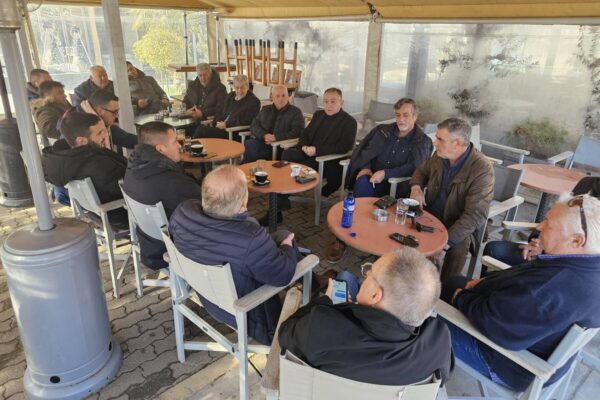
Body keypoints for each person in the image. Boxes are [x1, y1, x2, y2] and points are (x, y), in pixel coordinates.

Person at [443, 194, 600, 393]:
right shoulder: (584, 264)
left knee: (421, 315)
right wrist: (485, 282)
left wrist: (460, 298)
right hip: (527, 336)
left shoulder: (549, 289)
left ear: (576, 240)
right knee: (452, 283)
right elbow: (524, 281)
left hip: (508, 363)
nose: (539, 227)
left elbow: (495, 325)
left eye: (548, 224)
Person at [279, 247, 452, 385]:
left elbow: (286, 332)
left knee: (345, 278)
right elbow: (444, 375)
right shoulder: (438, 343)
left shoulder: (321, 326)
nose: (366, 274)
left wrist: (324, 303)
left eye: (370, 272)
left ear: (375, 295)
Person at [169, 165, 297, 345]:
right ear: (244, 204)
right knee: (287, 240)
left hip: (206, 294)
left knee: (280, 236)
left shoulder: (182, 213)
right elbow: (283, 275)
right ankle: (310, 291)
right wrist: (287, 247)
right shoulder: (251, 238)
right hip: (249, 316)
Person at [410, 118, 494, 283]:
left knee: (458, 248)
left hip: (458, 225)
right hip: (431, 215)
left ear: (458, 143)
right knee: (400, 226)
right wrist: (416, 188)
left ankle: (446, 290)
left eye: (440, 139)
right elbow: (421, 171)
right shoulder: (440, 155)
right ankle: (412, 280)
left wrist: (444, 244)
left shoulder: (482, 169)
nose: (435, 143)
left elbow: (475, 215)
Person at [123, 121, 200, 270]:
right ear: (160, 149)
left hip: (148, 242)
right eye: (175, 142)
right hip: (174, 251)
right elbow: (207, 213)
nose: (179, 146)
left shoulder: (132, 168)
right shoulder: (176, 183)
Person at [483, 176, 600, 267]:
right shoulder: (587, 183)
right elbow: (556, 218)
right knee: (494, 249)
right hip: (547, 248)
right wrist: (538, 242)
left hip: (573, 264)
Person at [41, 112, 128, 228]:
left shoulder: (67, 160)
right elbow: (131, 189)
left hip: (97, 213)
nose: (106, 135)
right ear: (81, 141)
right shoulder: (98, 164)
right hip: (123, 215)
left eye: (105, 130)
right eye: (100, 133)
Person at [345, 98, 432, 198]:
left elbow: (415, 167)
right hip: (371, 176)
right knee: (362, 185)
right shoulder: (382, 131)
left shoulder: (422, 141)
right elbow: (366, 150)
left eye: (405, 115)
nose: (401, 119)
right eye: (398, 115)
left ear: (415, 116)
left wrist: (386, 174)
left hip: (396, 184)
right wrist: (365, 168)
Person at [282, 87, 357, 197]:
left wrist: (317, 150)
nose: (329, 105)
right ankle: (284, 190)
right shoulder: (318, 115)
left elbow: (344, 147)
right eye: (326, 101)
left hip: (328, 160)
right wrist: (304, 146)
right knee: (286, 154)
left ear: (341, 103)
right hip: (308, 153)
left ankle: (283, 195)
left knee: (302, 166)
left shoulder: (349, 122)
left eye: (333, 101)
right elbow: (305, 134)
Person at [242, 84, 304, 163]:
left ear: (288, 96)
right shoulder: (266, 109)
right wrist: (264, 135)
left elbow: (298, 132)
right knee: (249, 144)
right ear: (272, 97)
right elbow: (254, 125)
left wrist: (276, 137)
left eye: (283, 95)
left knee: (253, 153)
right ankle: (247, 168)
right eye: (277, 96)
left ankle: (249, 167)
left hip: (280, 146)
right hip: (262, 141)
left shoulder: (295, 112)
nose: (281, 98)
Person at [194, 74, 260, 139]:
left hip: (234, 132)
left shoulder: (254, 101)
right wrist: (217, 122)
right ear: (234, 87)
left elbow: (247, 120)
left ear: (247, 86)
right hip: (221, 129)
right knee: (194, 127)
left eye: (242, 87)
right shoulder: (230, 96)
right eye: (237, 88)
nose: (239, 90)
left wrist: (227, 124)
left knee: (201, 131)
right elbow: (219, 111)